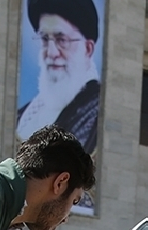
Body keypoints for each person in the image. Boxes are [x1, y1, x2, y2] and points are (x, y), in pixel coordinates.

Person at [16, 0, 101, 154]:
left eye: (62, 40)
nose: (51, 52)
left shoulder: (96, 111)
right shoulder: (25, 114)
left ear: (88, 49)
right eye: (45, 39)